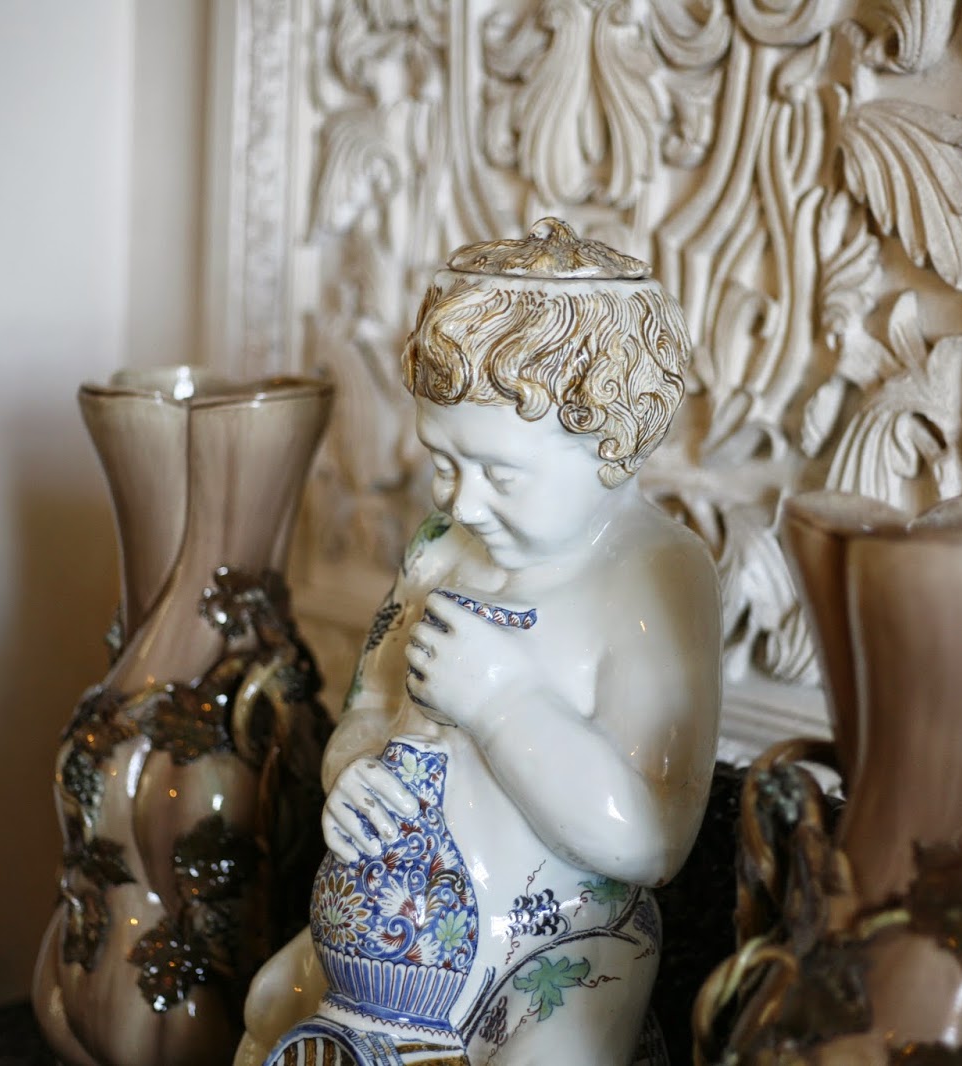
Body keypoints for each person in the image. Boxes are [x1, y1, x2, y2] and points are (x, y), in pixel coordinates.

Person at [239, 218, 721, 1066]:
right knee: (270, 1004)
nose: (461, 503)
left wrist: (503, 703)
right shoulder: (440, 550)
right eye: (443, 462)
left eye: (500, 474)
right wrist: (350, 772)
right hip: (390, 947)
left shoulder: (657, 576)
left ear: (612, 446)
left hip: (557, 946)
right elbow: (370, 707)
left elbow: (653, 838)